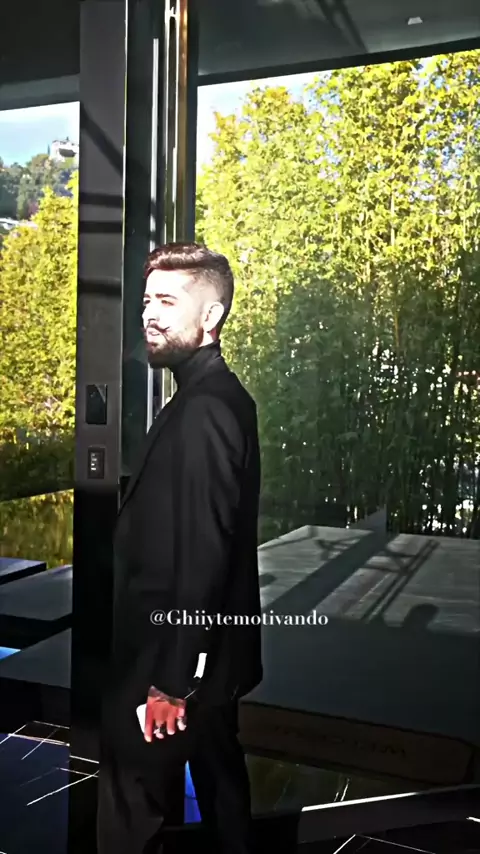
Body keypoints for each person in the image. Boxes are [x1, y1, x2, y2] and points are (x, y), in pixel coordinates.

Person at [97, 242, 263, 854]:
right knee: (221, 796)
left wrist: (171, 683)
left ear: (211, 316)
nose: (149, 314)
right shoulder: (209, 397)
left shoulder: (206, 410)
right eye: (147, 301)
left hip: (167, 660)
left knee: (130, 817)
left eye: (167, 301)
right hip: (198, 657)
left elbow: (204, 552)